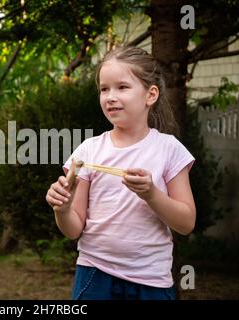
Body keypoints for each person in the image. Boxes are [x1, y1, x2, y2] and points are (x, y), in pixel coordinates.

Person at [45, 46, 196, 300]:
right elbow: (73, 230)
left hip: (152, 280)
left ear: (150, 95)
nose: (110, 97)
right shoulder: (87, 151)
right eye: (104, 89)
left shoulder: (169, 149)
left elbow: (186, 223)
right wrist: (62, 209)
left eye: (122, 87)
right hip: (94, 274)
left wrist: (151, 194)